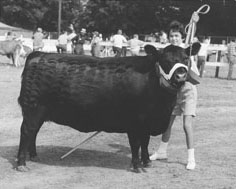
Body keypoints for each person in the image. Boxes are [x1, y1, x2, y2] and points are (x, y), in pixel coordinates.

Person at [149, 20, 199, 170]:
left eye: (177, 35)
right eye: (171, 35)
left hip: (188, 91)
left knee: (186, 125)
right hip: (173, 92)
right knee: (167, 124)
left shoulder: (186, 51)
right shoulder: (167, 52)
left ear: (182, 37)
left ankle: (191, 158)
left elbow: (195, 75)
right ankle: (162, 152)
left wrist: (194, 23)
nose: (174, 38)